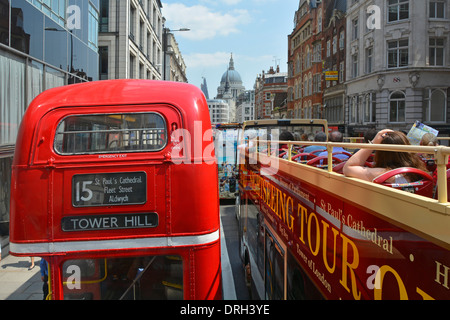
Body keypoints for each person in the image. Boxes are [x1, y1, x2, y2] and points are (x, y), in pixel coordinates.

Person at [343, 129, 428, 182]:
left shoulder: (385, 174)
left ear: (381, 153)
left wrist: (373, 142)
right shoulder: (419, 171)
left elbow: (348, 168)